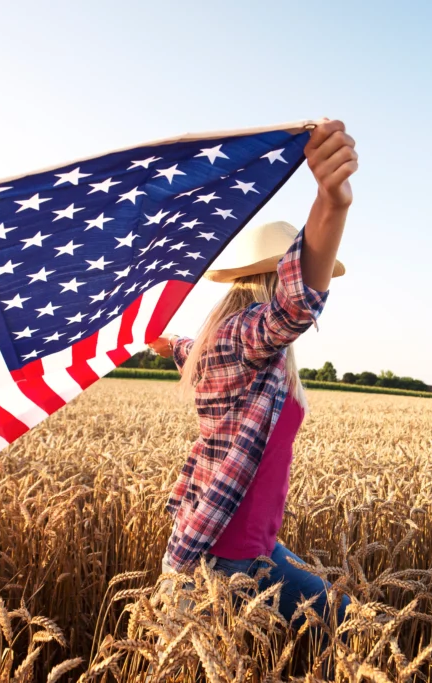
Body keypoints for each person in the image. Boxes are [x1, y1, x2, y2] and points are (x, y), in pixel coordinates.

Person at [147, 119, 357, 626]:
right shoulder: (241, 337)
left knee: (352, 623)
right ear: (274, 277)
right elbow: (294, 309)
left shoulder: (224, 345)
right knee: (345, 626)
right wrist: (333, 204)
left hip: (260, 549)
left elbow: (184, 348)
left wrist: (160, 342)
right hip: (222, 558)